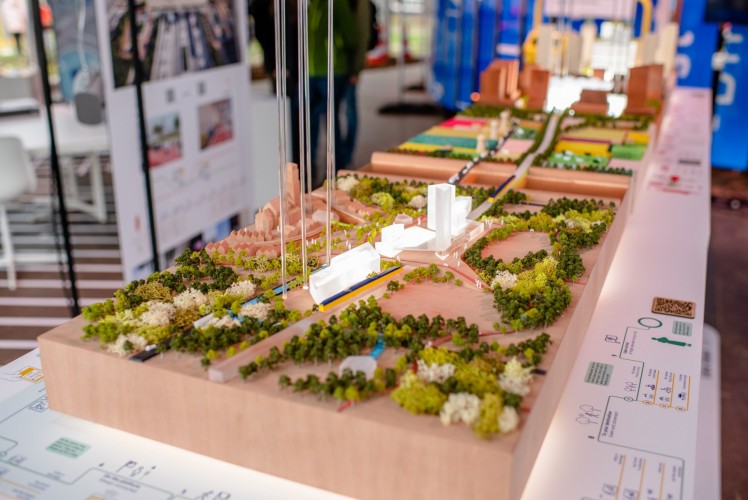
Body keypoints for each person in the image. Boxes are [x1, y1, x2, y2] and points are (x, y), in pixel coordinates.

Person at [307, 0, 357, 188]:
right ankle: (310, 166)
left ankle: (335, 167)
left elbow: (351, 35)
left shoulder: (338, 3)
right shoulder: (311, 4)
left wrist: (340, 54)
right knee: (310, 121)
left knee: (330, 120)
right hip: (311, 72)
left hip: (332, 71)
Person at [338, 0, 371, 168]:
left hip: (349, 68)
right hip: (338, 66)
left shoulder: (360, 4)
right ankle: (340, 155)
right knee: (336, 113)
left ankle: (346, 155)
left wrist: (356, 69)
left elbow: (362, 35)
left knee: (350, 110)